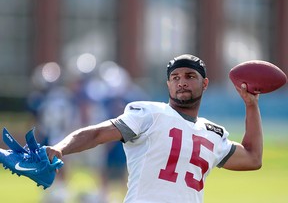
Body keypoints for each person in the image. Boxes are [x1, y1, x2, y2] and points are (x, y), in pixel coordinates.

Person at [46, 54, 263, 203]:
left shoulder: (213, 133)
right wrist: (61, 148)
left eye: (190, 76)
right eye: (175, 77)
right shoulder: (149, 114)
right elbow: (97, 133)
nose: (181, 82)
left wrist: (251, 105)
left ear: (204, 83)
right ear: (168, 84)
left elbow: (253, 158)